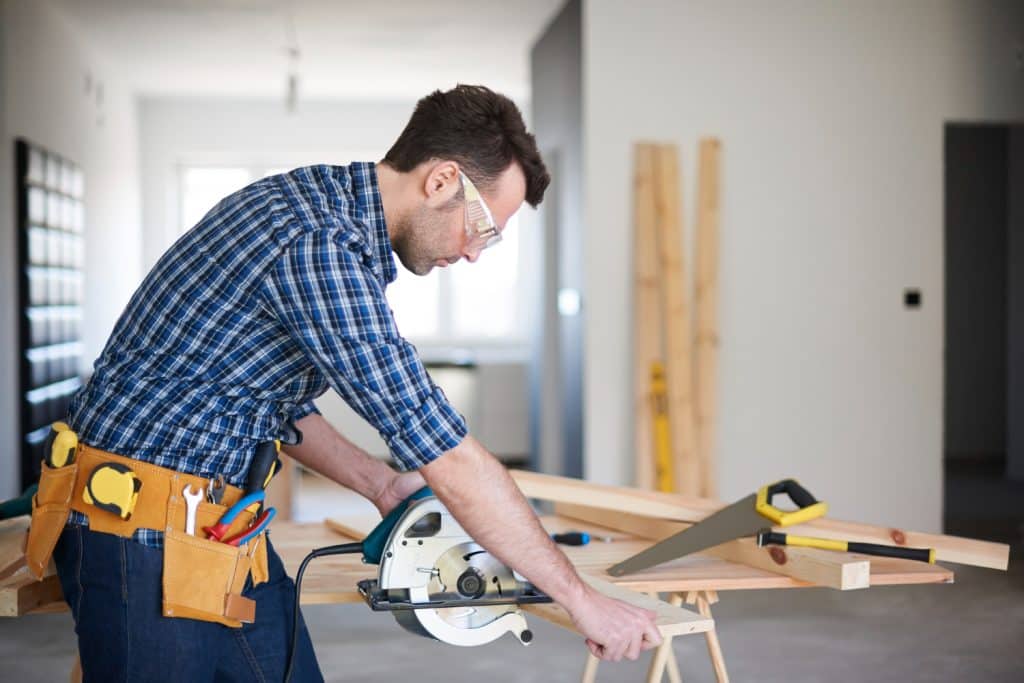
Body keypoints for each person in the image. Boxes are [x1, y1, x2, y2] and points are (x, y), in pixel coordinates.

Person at [49, 84, 661, 681]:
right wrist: (583, 602)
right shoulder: (319, 246)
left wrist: (384, 485)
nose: (476, 252)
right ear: (443, 179)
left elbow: (274, 405)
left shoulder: (325, 210)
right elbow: (439, 444)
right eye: (483, 227)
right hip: (140, 536)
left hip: (217, 527)